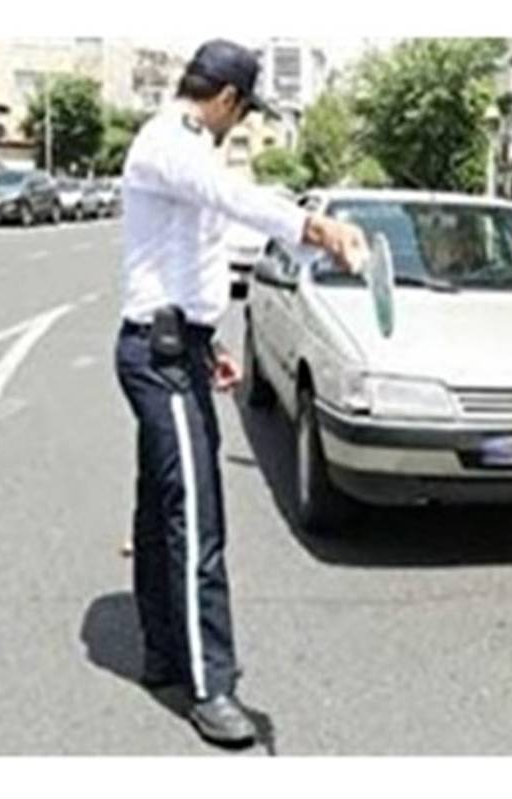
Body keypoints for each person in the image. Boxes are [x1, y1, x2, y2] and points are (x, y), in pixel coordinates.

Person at [115, 39, 366, 747]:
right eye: (245, 110)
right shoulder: (172, 140)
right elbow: (231, 198)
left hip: (177, 348)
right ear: (227, 98)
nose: (241, 122)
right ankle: (211, 686)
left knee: (163, 508)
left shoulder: (188, 148)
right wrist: (314, 226)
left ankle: (164, 650)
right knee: (197, 518)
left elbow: (186, 260)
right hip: (157, 357)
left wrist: (210, 343)